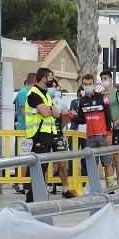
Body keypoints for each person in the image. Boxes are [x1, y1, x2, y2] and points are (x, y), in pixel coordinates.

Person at [25, 66, 77, 201]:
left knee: (43, 166)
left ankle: (35, 196)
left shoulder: (46, 94)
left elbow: (57, 113)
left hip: (48, 133)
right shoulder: (34, 93)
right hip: (39, 133)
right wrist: (48, 109)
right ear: (43, 79)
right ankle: (31, 197)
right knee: (38, 167)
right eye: (50, 78)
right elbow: (47, 112)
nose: (53, 80)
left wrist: (48, 109)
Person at [73, 73, 114, 186]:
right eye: (86, 84)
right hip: (90, 137)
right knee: (92, 165)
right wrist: (72, 117)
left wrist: (109, 134)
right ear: (82, 85)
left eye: (90, 84)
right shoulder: (82, 101)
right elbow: (82, 119)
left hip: (104, 135)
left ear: (94, 84)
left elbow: (109, 117)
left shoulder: (102, 97)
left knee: (107, 164)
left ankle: (110, 188)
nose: (88, 86)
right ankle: (95, 189)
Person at [101, 69, 119, 188]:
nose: (103, 81)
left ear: (111, 80)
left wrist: (115, 123)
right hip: (105, 130)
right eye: (101, 79)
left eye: (105, 79)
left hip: (117, 129)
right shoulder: (101, 95)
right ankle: (110, 186)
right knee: (108, 159)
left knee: (116, 157)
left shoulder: (118, 94)